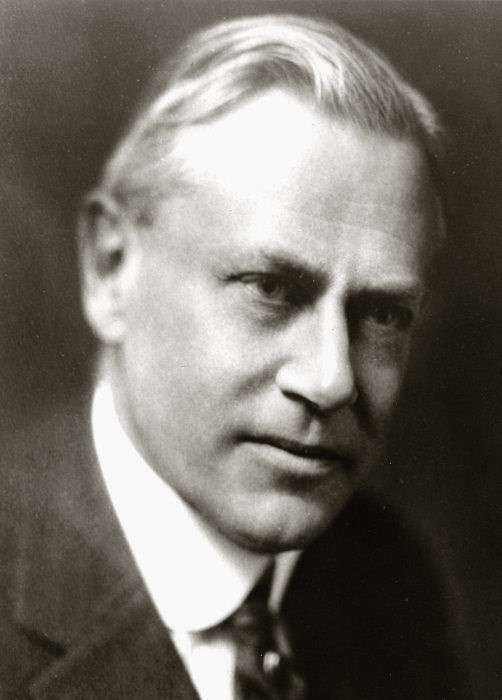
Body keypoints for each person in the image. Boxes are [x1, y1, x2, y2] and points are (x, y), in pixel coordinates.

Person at [0, 14, 470, 699]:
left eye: (382, 315)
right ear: (111, 268)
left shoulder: (389, 576)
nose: (331, 378)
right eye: (271, 289)